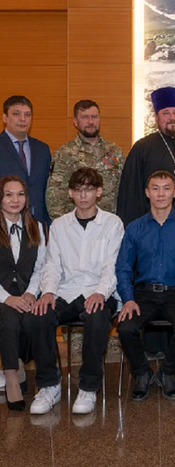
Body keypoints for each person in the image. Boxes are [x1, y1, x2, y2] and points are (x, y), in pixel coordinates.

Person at [25, 168, 123, 415]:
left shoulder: (112, 223)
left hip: (100, 291)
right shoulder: (59, 225)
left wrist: (100, 293)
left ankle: (88, 387)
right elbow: (52, 264)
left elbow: (113, 266)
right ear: (70, 193)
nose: (83, 195)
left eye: (89, 189)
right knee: (38, 316)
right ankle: (49, 386)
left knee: (97, 316)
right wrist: (47, 292)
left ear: (99, 192)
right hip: (65, 292)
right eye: (78, 190)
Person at [116, 170, 175, 401]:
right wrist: (128, 298)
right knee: (125, 328)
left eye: (166, 188)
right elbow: (123, 267)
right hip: (143, 293)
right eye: (155, 188)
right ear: (147, 193)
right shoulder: (135, 227)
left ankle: (167, 372)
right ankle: (143, 373)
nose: (161, 193)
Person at [116, 87, 175, 232]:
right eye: (166, 113)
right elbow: (131, 195)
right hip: (153, 229)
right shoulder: (142, 148)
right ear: (156, 119)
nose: (172, 117)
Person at [0, 176, 45, 411]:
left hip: (27, 292)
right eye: (9, 194)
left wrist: (30, 293)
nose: (15, 200)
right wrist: (7, 297)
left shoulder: (35, 226)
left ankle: (20, 364)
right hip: (1, 295)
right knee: (8, 318)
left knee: (33, 318)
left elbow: (41, 267)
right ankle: (11, 376)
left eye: (20, 194)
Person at [46, 99, 125, 219]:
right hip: (76, 226)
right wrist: (63, 227)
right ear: (75, 122)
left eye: (94, 117)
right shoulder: (64, 154)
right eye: (85, 117)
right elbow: (55, 195)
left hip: (109, 224)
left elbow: (125, 189)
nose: (91, 121)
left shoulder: (114, 152)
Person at [0, 95, 51, 225]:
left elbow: (46, 187)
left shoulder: (42, 149)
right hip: (4, 224)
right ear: (5, 118)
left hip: (36, 223)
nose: (23, 119)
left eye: (27, 115)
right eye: (17, 114)